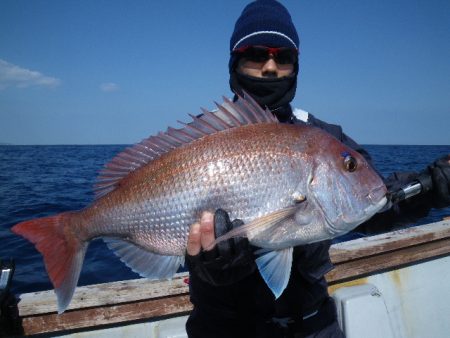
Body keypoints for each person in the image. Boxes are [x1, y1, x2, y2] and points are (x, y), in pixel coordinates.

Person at [184, 1, 450, 337]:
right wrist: (203, 265)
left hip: (311, 325)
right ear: (235, 63)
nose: (270, 66)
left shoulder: (327, 139)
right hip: (223, 328)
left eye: (283, 57)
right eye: (256, 54)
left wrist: (429, 187)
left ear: (295, 66)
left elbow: (373, 204)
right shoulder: (199, 142)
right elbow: (167, 222)